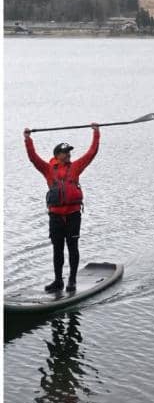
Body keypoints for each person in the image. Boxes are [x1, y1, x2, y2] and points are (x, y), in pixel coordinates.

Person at [24, 124, 100, 292]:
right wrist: (28, 139)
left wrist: (96, 133)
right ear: (57, 155)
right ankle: (58, 281)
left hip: (73, 215)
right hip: (56, 217)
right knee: (57, 249)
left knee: (73, 247)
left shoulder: (76, 167)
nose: (69, 155)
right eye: (66, 152)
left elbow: (91, 153)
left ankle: (72, 280)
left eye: (69, 152)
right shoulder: (48, 169)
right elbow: (33, 157)